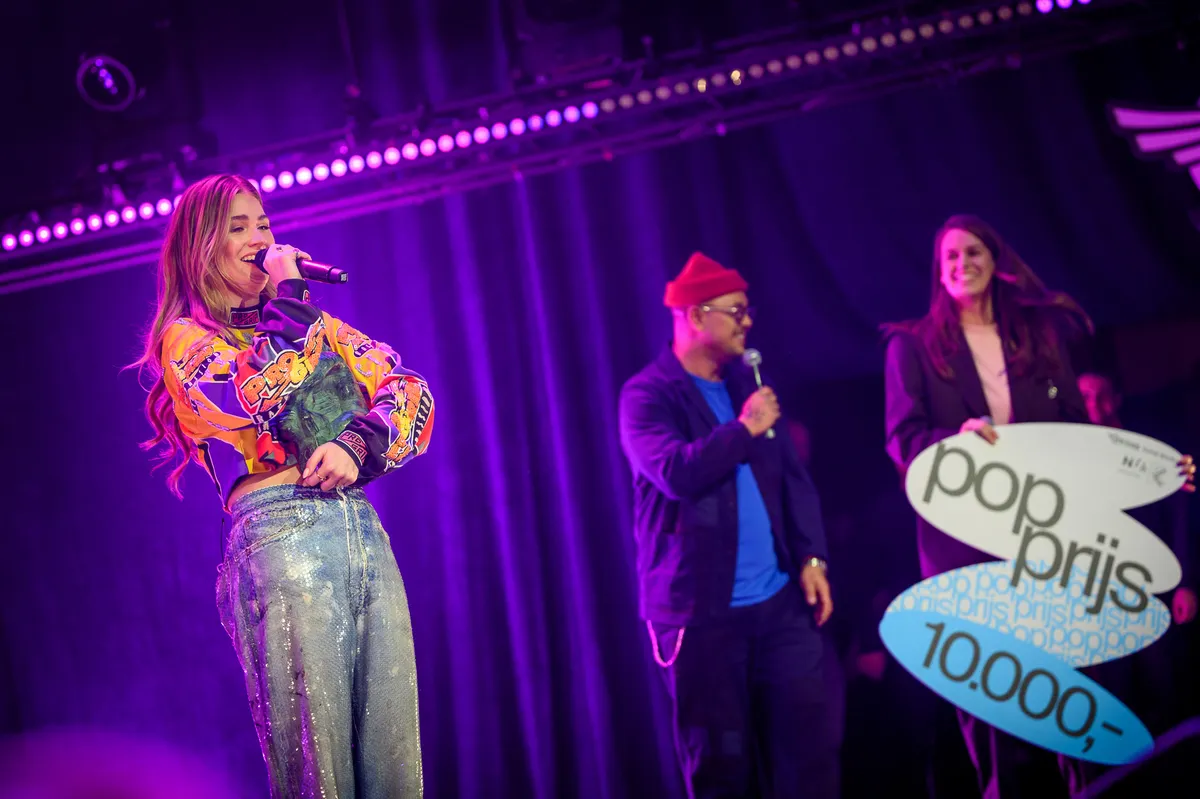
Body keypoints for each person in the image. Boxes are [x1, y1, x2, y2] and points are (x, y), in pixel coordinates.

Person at [131, 174, 433, 798]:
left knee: (395, 764)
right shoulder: (187, 340)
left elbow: (410, 390)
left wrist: (358, 444)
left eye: (263, 224)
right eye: (237, 227)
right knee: (320, 771)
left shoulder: (319, 327)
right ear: (201, 248)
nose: (259, 239)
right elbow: (255, 390)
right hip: (282, 533)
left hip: (358, 526)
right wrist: (289, 293)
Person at [882, 214, 1095, 799]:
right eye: (950, 257)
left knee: (1067, 681)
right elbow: (903, 442)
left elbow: (1076, 425)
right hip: (964, 540)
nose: (962, 264)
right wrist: (956, 443)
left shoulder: (1037, 335)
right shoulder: (912, 346)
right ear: (938, 272)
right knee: (993, 694)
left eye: (973, 252)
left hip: (1044, 530)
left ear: (995, 260)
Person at [618, 252, 837, 799]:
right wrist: (743, 429)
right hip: (700, 618)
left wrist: (811, 557)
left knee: (808, 761)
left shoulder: (748, 387)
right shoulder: (648, 395)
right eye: (735, 311)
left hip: (779, 606)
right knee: (722, 770)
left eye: (746, 310)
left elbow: (793, 481)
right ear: (696, 316)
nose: (747, 321)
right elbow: (675, 473)